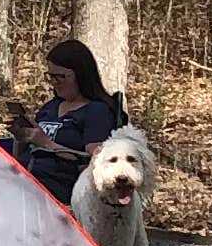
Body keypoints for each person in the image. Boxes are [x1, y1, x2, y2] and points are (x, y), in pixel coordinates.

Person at [7, 38, 127, 201]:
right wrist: (22, 137)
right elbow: (22, 155)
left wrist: (47, 144)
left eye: (60, 77)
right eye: (50, 76)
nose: (54, 83)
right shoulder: (50, 107)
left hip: (59, 187)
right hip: (24, 178)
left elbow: (96, 161)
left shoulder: (96, 111)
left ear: (80, 75)